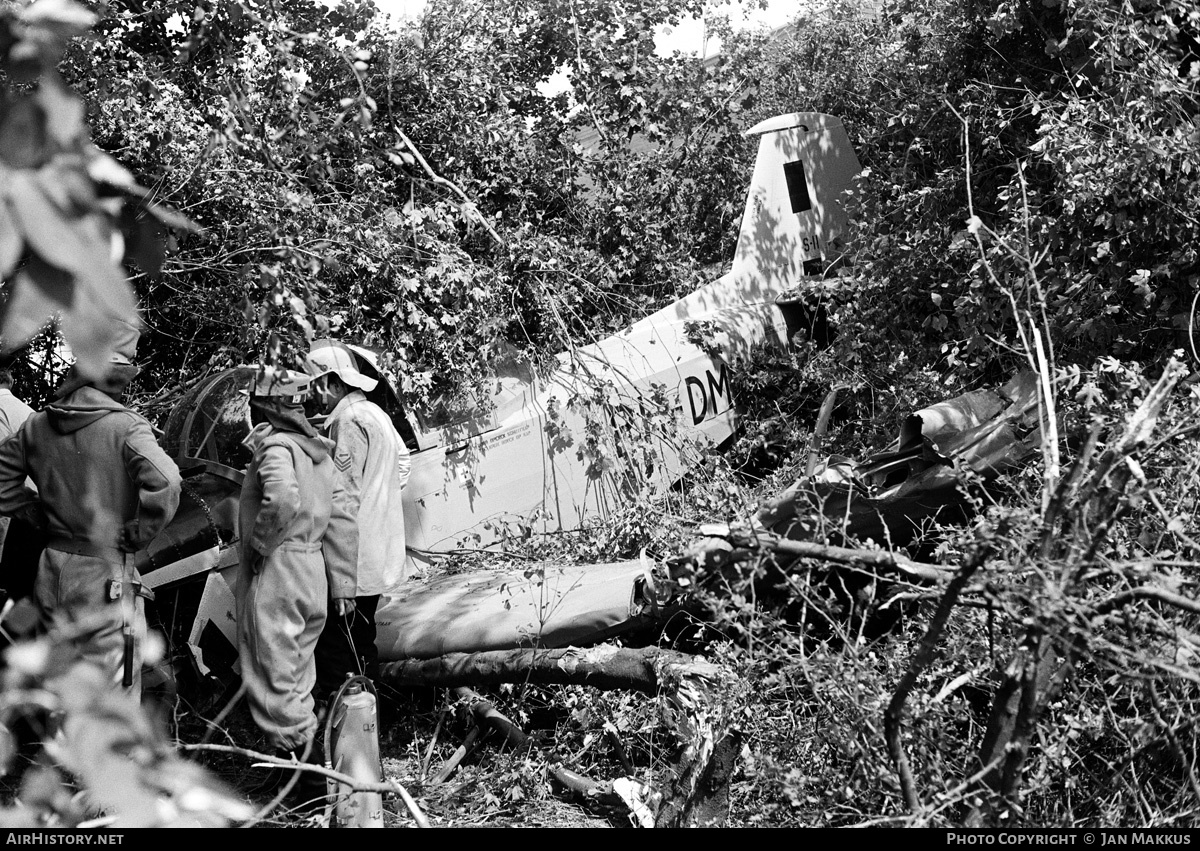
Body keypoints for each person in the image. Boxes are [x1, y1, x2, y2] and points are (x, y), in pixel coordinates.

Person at [0, 323, 181, 693]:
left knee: (62, 681)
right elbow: (167, 481)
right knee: (110, 691)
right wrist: (140, 531)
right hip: (104, 573)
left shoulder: (36, 426)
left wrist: (31, 510)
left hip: (49, 568)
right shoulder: (127, 428)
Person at [235, 365, 357, 787]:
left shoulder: (276, 447)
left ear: (267, 405)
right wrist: (343, 585)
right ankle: (303, 771)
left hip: (279, 568)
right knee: (298, 672)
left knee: (272, 674)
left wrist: (259, 547)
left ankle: (306, 779)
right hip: (313, 571)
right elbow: (342, 519)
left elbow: (282, 497)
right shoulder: (320, 450)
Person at [305, 341, 410, 699]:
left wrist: (339, 575)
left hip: (353, 558)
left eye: (316, 385)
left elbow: (342, 499)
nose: (312, 394)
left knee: (339, 650)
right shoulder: (374, 413)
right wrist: (380, 501)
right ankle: (375, 722)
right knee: (362, 642)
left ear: (335, 384)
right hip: (376, 551)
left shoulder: (347, 422)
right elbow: (403, 463)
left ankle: (353, 730)